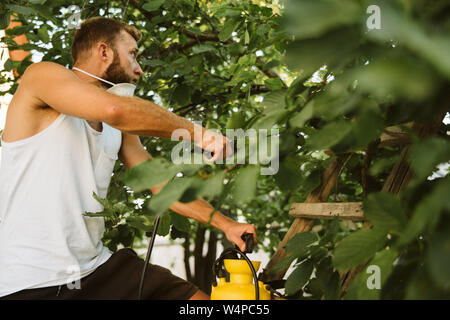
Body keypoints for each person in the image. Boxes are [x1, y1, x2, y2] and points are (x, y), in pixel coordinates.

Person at [0, 17, 257, 300]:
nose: (139, 69)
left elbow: (161, 184)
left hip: (98, 268)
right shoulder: (42, 76)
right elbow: (115, 109)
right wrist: (199, 133)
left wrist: (226, 224)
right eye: (132, 54)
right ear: (104, 51)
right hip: (32, 281)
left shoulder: (117, 128)